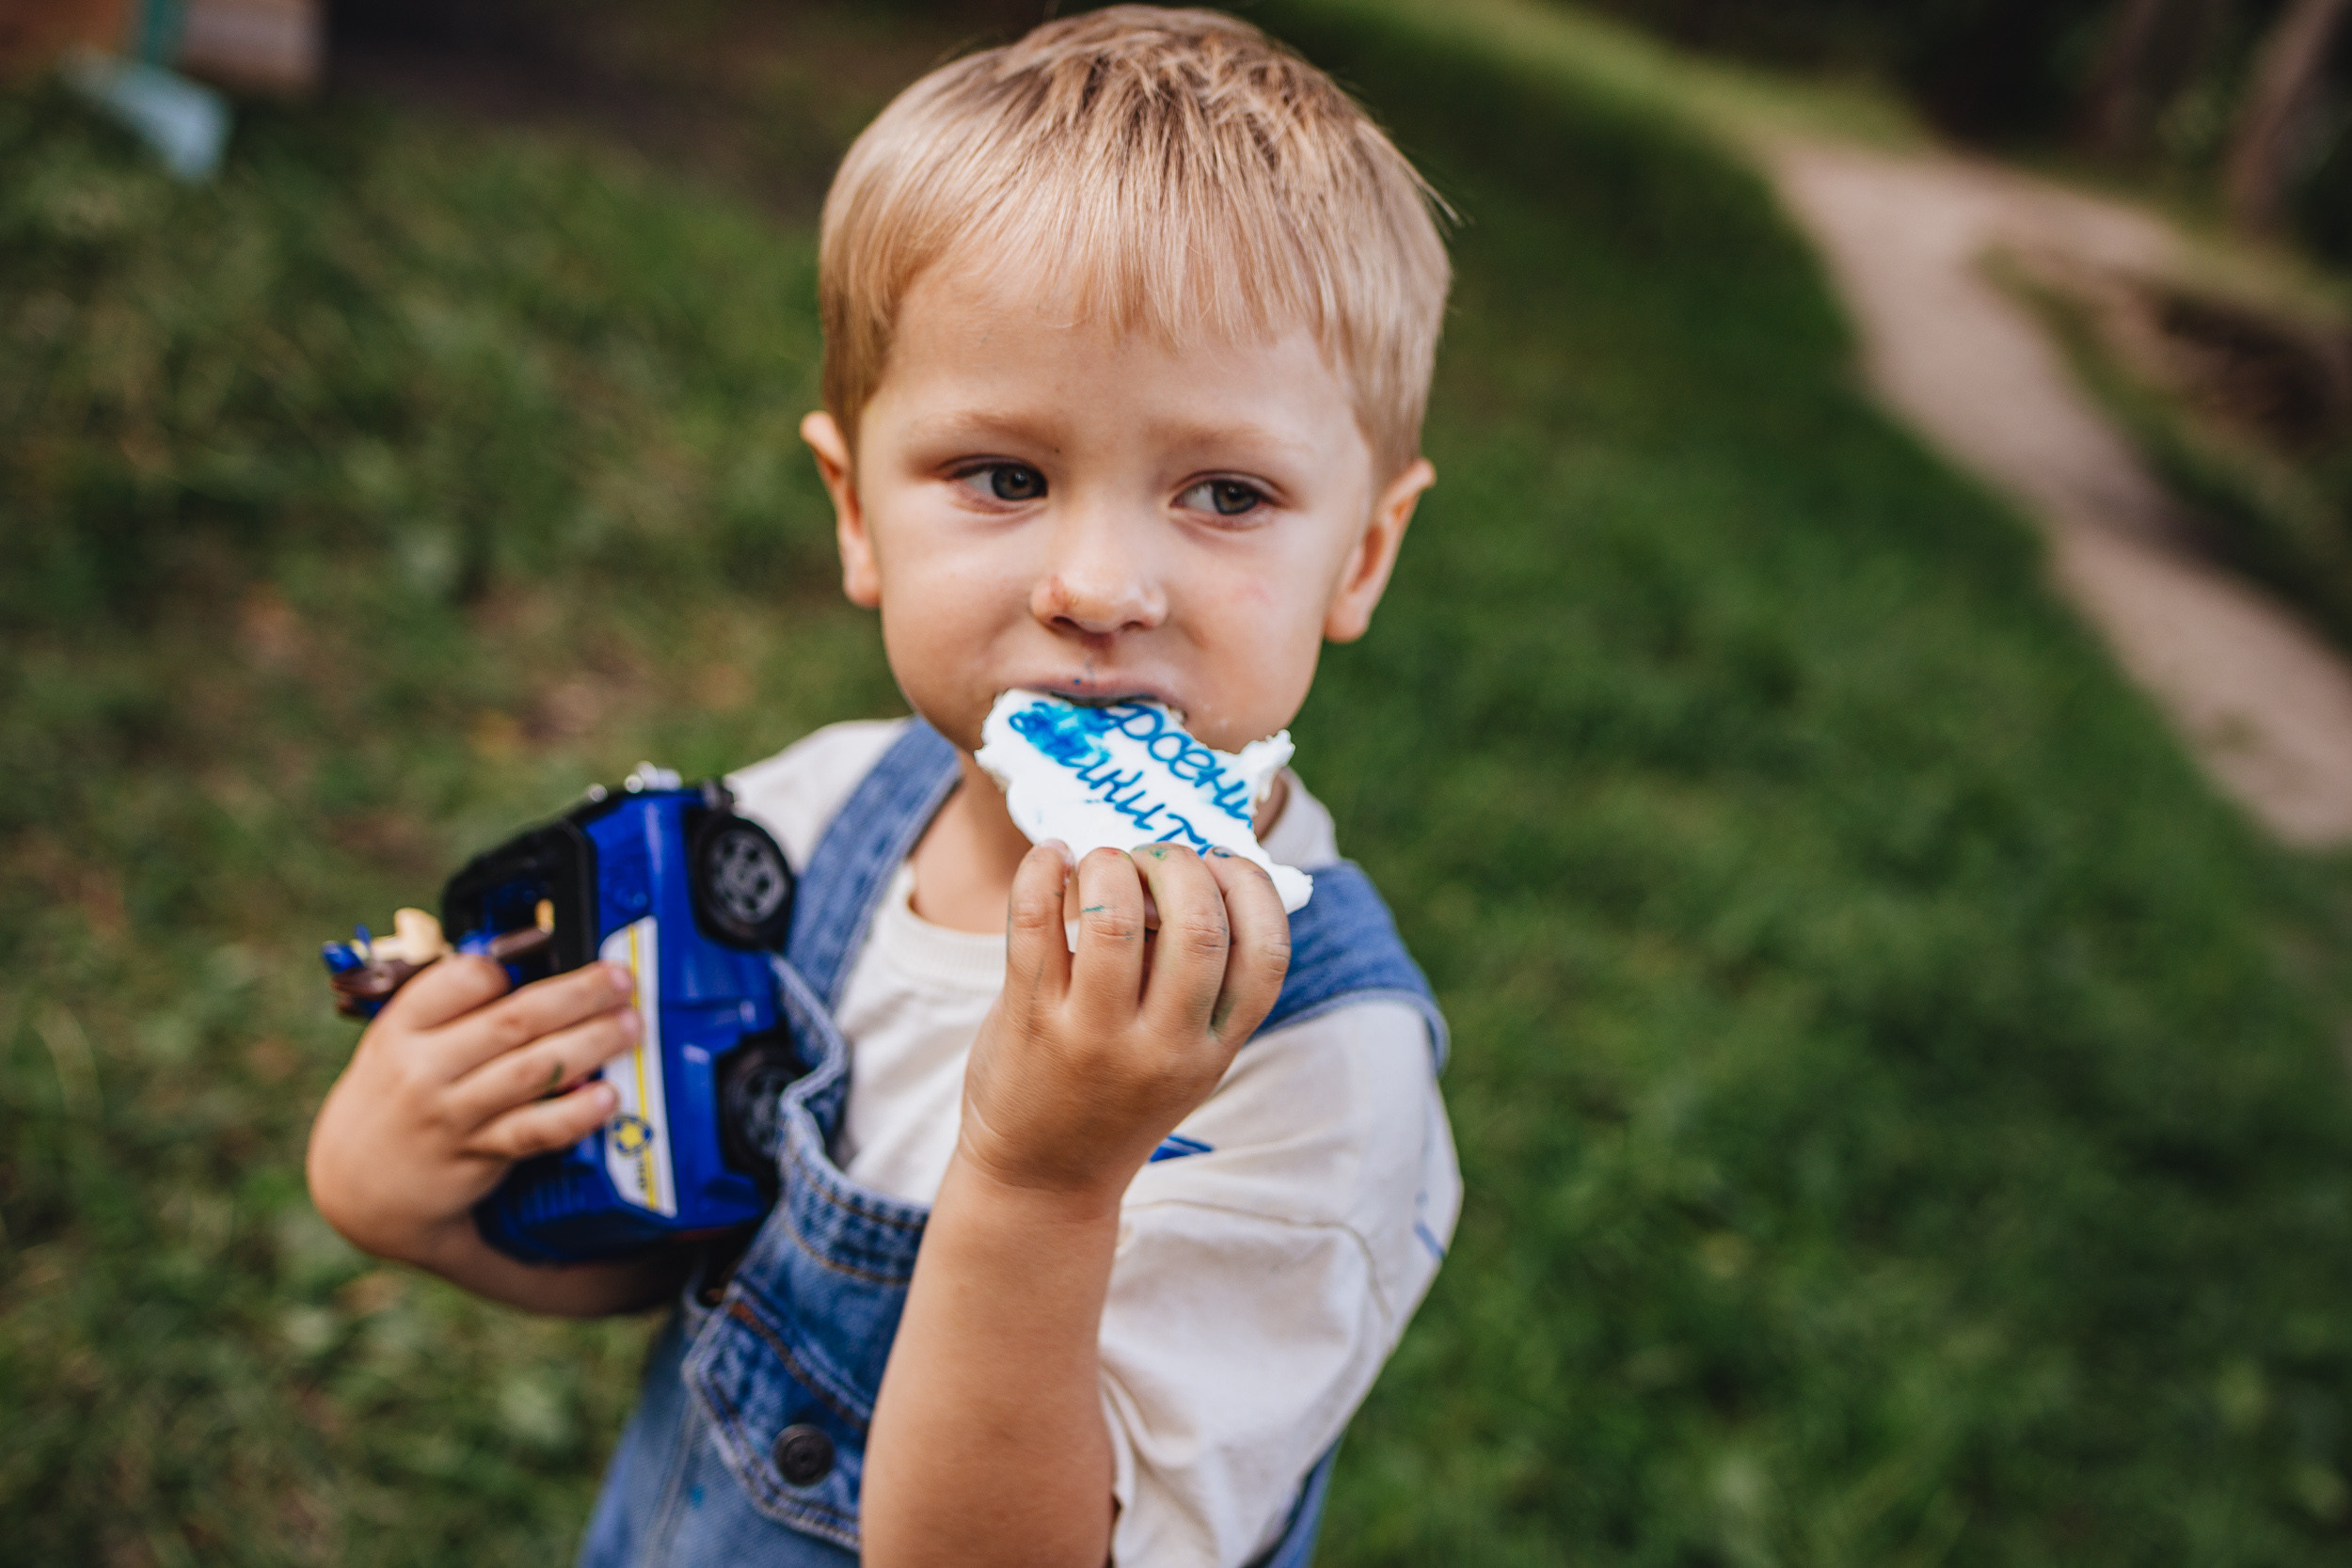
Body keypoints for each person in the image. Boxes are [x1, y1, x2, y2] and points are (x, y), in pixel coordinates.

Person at [304, 8, 1458, 1563]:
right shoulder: (809, 825)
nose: (1100, 584)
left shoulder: (1314, 1082)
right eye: (1004, 476)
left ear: (1362, 554)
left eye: (1228, 494)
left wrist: (1047, 1179)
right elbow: (692, 1259)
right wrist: (407, 1199)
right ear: (857, 512)